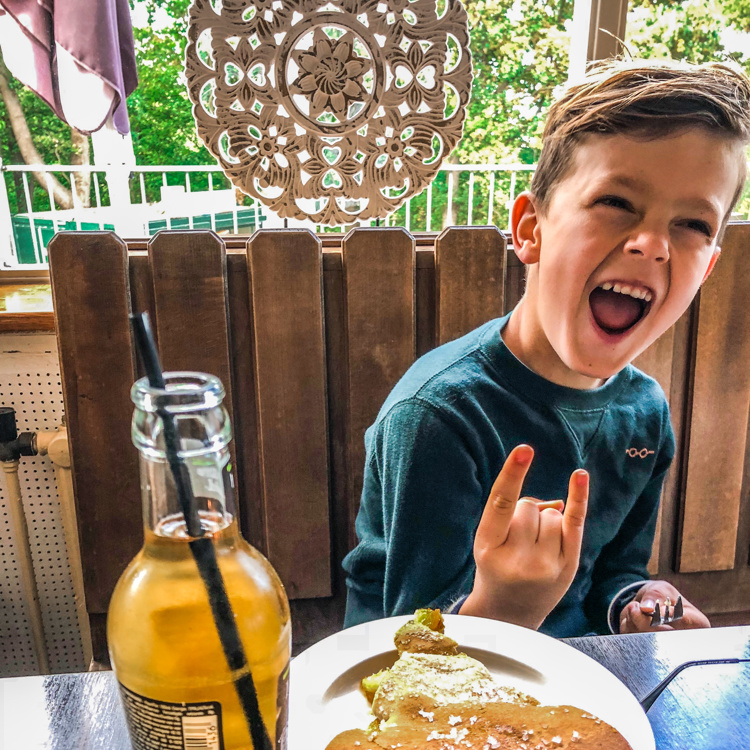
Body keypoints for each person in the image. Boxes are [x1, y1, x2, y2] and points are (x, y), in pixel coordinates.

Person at [342, 59, 750, 637]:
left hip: (576, 680)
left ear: (705, 269)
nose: (652, 244)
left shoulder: (645, 415)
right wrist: (504, 609)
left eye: (692, 224)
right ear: (531, 230)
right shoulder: (439, 415)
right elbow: (410, 642)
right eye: (616, 202)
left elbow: (614, 573)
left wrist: (637, 602)